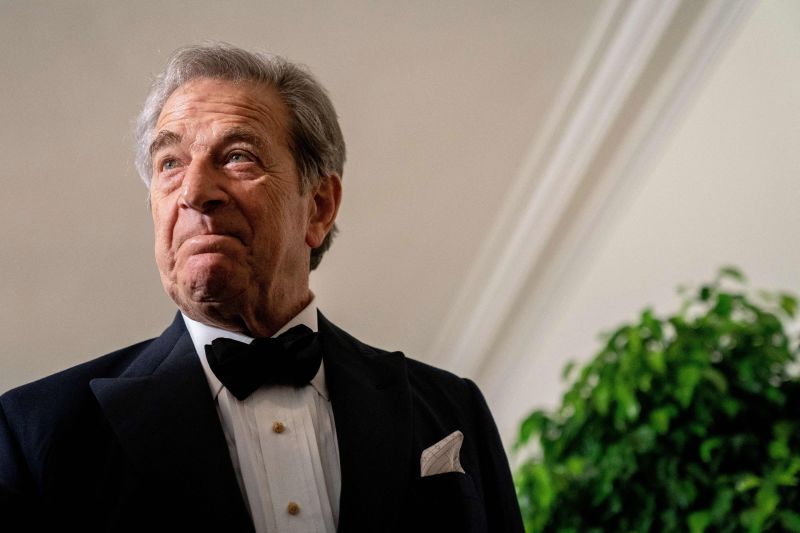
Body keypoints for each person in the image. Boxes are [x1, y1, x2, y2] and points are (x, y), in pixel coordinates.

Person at [0, 44, 523, 532]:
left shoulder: (452, 408)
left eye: (237, 156)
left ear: (318, 207)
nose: (195, 193)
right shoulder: (35, 432)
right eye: (170, 164)